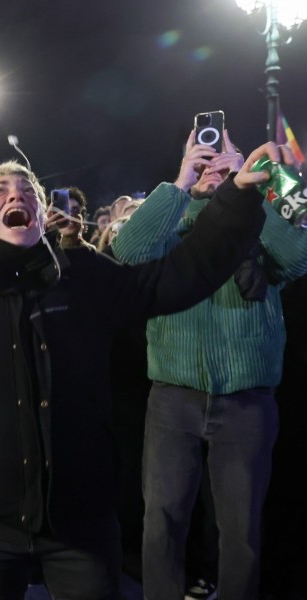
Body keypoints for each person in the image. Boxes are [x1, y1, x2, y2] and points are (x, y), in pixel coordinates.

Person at [0, 142, 284, 600]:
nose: (16, 196)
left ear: (41, 213)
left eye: (27, 189)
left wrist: (239, 196)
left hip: (82, 523)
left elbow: (178, 277)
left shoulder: (84, 274)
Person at [110, 131, 307, 600]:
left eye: (226, 154)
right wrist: (181, 186)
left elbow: (298, 258)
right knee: (162, 522)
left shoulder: (255, 212)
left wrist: (248, 192)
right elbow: (128, 253)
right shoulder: (174, 216)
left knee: (240, 531)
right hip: (173, 397)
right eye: (203, 155)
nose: (215, 162)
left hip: (247, 400)